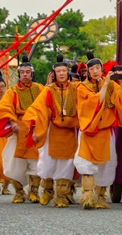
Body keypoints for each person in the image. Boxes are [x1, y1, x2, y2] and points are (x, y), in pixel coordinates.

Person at [73, 51, 122, 210]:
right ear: (87, 71)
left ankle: (100, 196)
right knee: (86, 163)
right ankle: (87, 196)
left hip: (106, 131)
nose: (95, 71)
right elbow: (95, 102)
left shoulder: (113, 85)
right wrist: (105, 84)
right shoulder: (81, 87)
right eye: (91, 69)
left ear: (101, 69)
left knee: (106, 164)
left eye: (98, 67)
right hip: (89, 131)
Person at [23, 55, 79, 207]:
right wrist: (34, 127)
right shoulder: (48, 90)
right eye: (58, 71)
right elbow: (37, 108)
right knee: (48, 162)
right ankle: (47, 190)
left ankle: (61, 196)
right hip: (52, 131)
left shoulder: (76, 88)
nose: (61, 73)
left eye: (64, 71)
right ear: (54, 73)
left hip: (69, 131)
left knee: (67, 163)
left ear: (67, 72)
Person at [0, 53, 44, 204]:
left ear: (32, 74)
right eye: (22, 72)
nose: (25, 75)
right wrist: (13, 122)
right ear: (19, 74)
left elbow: (46, 106)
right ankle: (19, 192)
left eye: (27, 72)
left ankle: (34, 192)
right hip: (19, 130)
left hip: (35, 130)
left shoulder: (40, 88)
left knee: (36, 162)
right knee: (14, 162)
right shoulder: (12, 91)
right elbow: (5, 108)